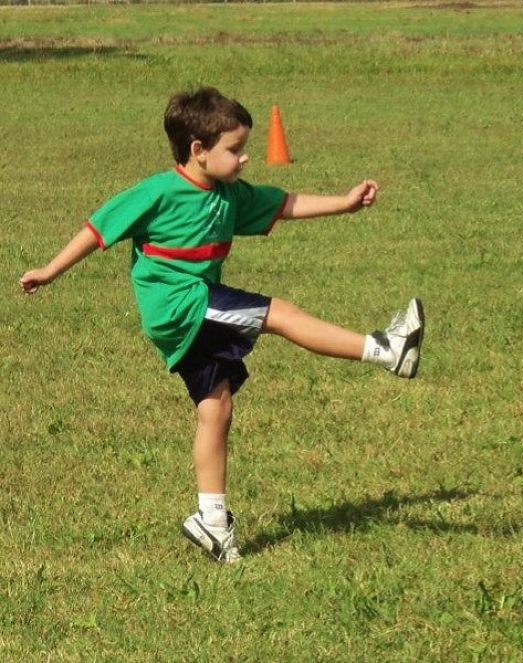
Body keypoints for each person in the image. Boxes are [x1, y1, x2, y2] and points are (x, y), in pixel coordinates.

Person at [19, 87, 424, 563]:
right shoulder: (157, 193)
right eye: (233, 149)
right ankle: (386, 349)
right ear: (198, 150)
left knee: (217, 408)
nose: (245, 157)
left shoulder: (230, 195)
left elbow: (285, 204)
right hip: (180, 306)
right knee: (281, 313)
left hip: (193, 311)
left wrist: (346, 203)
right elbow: (97, 230)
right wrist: (49, 270)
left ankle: (212, 521)